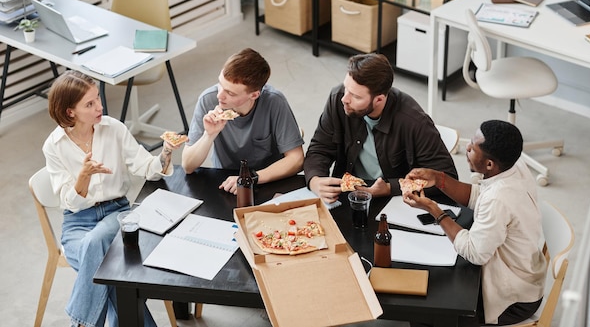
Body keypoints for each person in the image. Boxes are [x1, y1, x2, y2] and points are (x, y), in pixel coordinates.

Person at [42, 70, 183, 327]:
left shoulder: (114, 129)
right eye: (90, 103)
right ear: (70, 111)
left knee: (95, 246)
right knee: (110, 278)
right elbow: (69, 201)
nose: (100, 107)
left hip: (116, 215)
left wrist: (165, 152)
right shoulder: (54, 146)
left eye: (98, 98)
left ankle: (81, 323)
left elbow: (145, 166)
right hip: (77, 223)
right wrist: (83, 176)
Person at [402, 120, 547, 326]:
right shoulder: (514, 167)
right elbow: (481, 196)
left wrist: (434, 210)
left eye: (473, 149)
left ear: (489, 164)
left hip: (512, 299)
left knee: (428, 309)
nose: (467, 148)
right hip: (525, 274)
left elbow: (475, 252)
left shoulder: (499, 198)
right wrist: (439, 178)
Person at [303, 53, 457, 204]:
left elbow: (447, 178)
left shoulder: (415, 122)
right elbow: (320, 148)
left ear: (379, 99)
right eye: (346, 88)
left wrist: (391, 188)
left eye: (356, 96)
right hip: (347, 196)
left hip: (395, 202)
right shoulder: (338, 99)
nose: (345, 99)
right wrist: (315, 181)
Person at [182, 48, 304, 192]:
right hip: (225, 180)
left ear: (254, 95)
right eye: (220, 84)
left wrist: (251, 178)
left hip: (266, 179)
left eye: (230, 93)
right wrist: (209, 135)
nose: (219, 96)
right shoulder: (207, 100)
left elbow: (296, 160)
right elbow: (188, 166)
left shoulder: (275, 102)